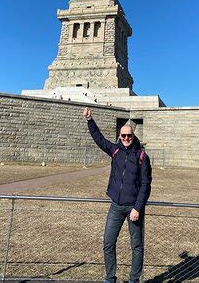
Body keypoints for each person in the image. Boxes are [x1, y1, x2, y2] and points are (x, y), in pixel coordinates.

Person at [83, 107, 152, 283]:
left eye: (129, 135)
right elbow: (99, 139)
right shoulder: (115, 151)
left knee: (136, 246)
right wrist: (90, 120)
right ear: (120, 136)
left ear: (133, 136)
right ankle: (110, 277)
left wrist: (137, 207)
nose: (126, 138)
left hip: (133, 208)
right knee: (108, 243)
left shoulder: (142, 156)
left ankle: (134, 279)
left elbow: (145, 184)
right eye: (123, 136)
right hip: (116, 205)